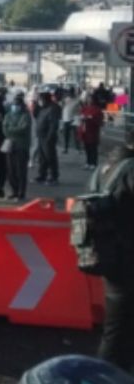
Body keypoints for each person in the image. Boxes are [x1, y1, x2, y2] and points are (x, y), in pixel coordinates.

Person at [93, 146, 134, 372]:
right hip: (127, 256)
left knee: (117, 325)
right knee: (118, 329)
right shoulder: (130, 170)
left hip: (107, 255)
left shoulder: (104, 169)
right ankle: (105, 375)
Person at [3, 91, 33, 201]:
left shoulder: (26, 115)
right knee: (11, 171)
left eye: (17, 104)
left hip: (22, 145)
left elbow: (23, 129)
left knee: (21, 170)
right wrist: (12, 130)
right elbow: (5, 129)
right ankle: (14, 191)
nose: (15, 106)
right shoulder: (8, 115)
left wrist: (11, 130)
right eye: (14, 104)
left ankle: (21, 193)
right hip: (10, 145)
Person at [35, 91, 62, 186]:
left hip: (48, 137)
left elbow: (53, 125)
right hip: (41, 136)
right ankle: (42, 175)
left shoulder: (52, 109)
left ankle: (54, 177)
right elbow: (36, 116)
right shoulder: (43, 108)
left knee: (50, 157)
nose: (40, 101)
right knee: (42, 157)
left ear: (45, 99)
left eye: (41, 99)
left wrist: (49, 137)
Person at [79, 93, 105, 171]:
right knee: (87, 148)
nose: (89, 100)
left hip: (93, 132)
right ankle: (88, 162)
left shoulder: (98, 109)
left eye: (90, 99)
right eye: (88, 99)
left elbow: (99, 121)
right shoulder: (84, 108)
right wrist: (82, 118)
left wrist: (90, 118)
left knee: (93, 148)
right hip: (85, 131)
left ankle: (94, 163)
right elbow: (81, 116)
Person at [61, 89, 81, 155]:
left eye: (71, 93)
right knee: (67, 135)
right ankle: (66, 148)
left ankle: (77, 149)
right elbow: (61, 107)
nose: (70, 94)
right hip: (66, 119)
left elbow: (80, 109)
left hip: (73, 120)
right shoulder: (65, 100)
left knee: (75, 136)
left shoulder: (77, 100)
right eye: (70, 93)